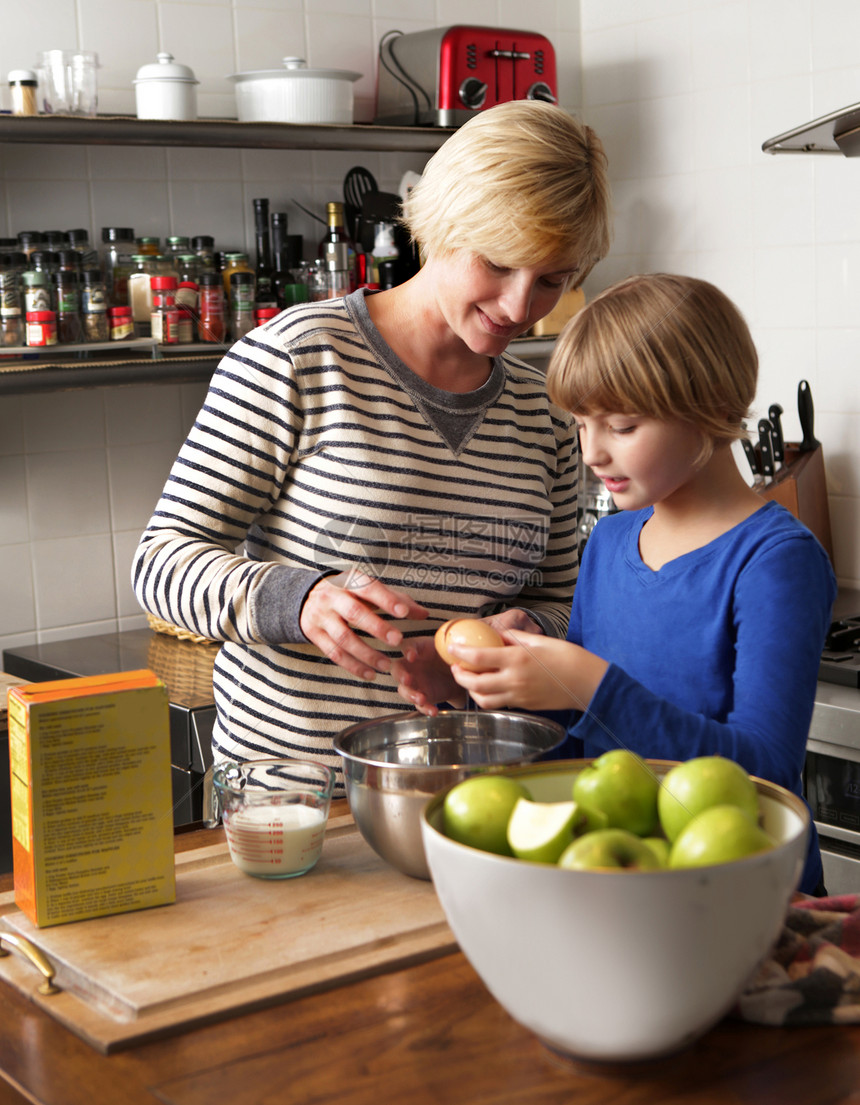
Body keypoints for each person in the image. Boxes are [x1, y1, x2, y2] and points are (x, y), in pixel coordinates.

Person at [131, 100, 612, 793]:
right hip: (294, 804)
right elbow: (160, 563)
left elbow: (565, 602)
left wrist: (516, 635)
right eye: (499, 264)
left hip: (472, 798)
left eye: (552, 280)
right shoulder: (298, 358)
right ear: (444, 225)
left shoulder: (543, 414)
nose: (518, 305)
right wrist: (297, 601)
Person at [446, 273, 836, 895]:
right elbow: (583, 751)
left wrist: (585, 682)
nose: (592, 452)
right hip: (623, 882)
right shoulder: (609, 543)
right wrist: (506, 688)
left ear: (707, 406)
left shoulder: (775, 561)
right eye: (580, 425)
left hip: (745, 897)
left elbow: (767, 777)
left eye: (622, 426)